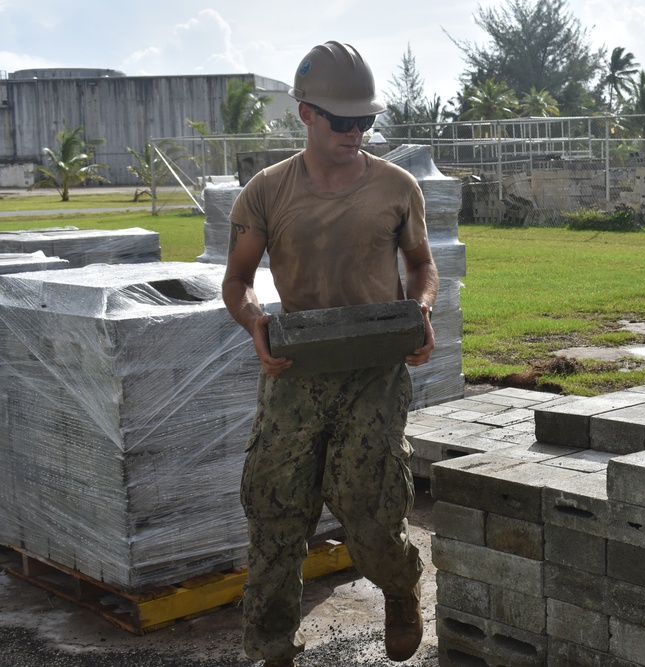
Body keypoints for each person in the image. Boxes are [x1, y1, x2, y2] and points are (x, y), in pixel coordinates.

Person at [222, 40, 438, 666]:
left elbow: (421, 265)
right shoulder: (267, 192)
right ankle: (271, 648)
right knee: (275, 510)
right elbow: (237, 281)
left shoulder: (397, 187)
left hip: (374, 369)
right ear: (306, 114)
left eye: (366, 120)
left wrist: (420, 310)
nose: (357, 132)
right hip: (297, 366)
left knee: (370, 509)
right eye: (343, 121)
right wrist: (254, 321)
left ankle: (400, 586)